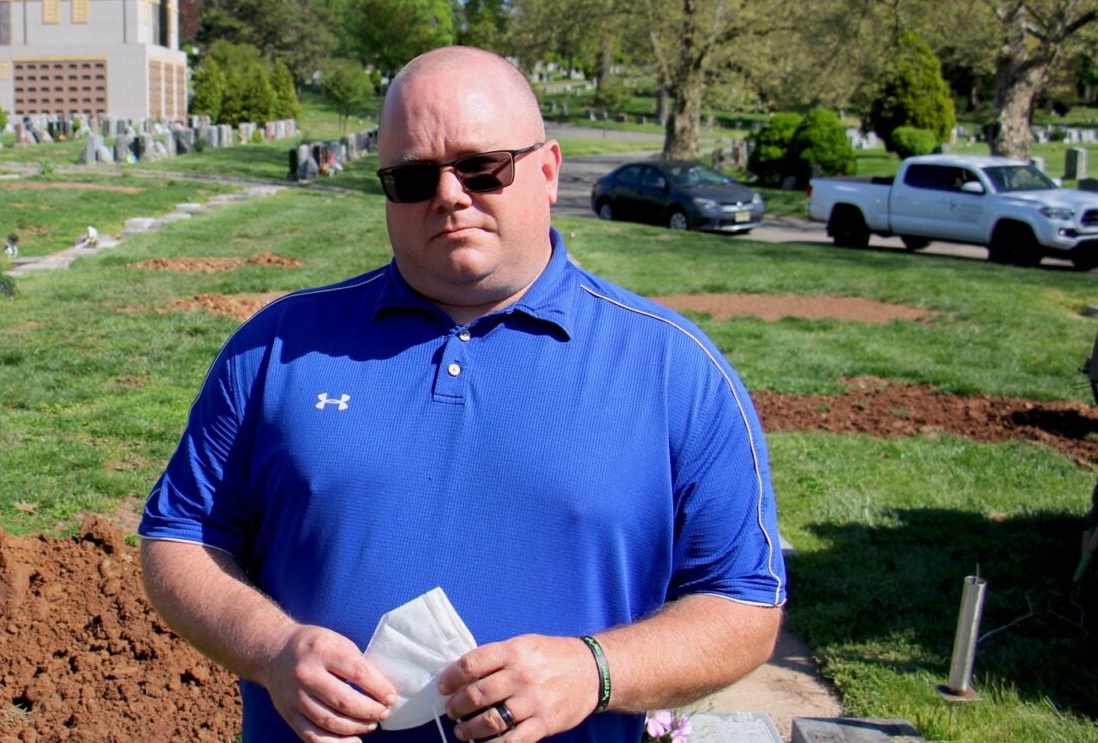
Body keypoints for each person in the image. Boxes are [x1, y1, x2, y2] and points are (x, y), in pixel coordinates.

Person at [138, 46, 786, 743]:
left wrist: (592, 671)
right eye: (414, 177)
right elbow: (179, 539)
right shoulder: (277, 349)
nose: (449, 194)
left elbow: (745, 606)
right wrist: (271, 650)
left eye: (482, 167)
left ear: (547, 169)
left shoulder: (674, 369)